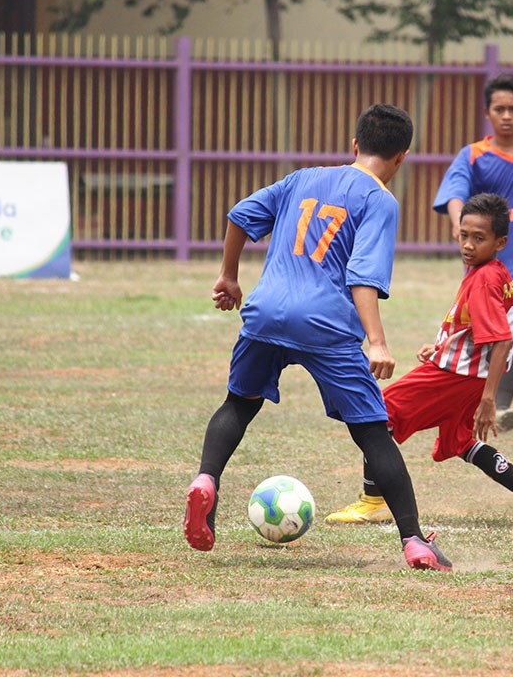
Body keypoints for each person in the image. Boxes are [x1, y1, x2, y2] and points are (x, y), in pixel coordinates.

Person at [183, 104, 452, 572]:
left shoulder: (303, 178)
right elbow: (362, 275)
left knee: (239, 404)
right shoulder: (380, 199)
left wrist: (229, 276)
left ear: (355, 144)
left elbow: (241, 215)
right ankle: (414, 541)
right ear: (402, 157)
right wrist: (377, 342)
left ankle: (207, 480)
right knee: (372, 432)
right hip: (325, 324)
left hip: (266, 313)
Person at [325, 193, 513, 526]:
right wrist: (440, 346)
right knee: (460, 441)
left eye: (479, 238)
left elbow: (502, 340)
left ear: (500, 242)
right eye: (464, 235)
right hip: (469, 376)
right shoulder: (495, 272)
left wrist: (489, 399)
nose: (468, 245)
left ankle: (373, 500)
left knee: (377, 414)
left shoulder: (483, 279)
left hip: (455, 376)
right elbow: (477, 328)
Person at [432, 74, 513, 433]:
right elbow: (454, 194)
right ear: (487, 112)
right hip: (484, 263)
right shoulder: (473, 155)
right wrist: (459, 225)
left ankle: (501, 406)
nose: (506, 116)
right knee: (478, 329)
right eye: (499, 109)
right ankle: (470, 399)